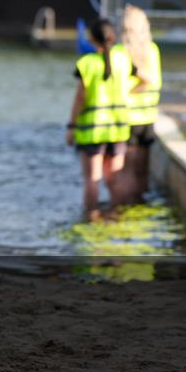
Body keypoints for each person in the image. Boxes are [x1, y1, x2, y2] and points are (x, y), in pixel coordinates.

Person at [65, 18, 131, 222]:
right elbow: (141, 79)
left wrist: (71, 126)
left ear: (91, 39)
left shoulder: (86, 63)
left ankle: (92, 217)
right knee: (115, 178)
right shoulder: (123, 59)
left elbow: (80, 98)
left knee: (92, 179)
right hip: (118, 129)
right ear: (112, 37)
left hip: (92, 131)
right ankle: (116, 216)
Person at [119, 5, 162, 203]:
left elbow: (123, 85)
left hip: (128, 118)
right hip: (148, 117)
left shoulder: (121, 52)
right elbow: (156, 80)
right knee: (143, 170)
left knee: (128, 169)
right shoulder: (152, 50)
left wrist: (127, 90)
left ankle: (128, 206)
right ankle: (141, 206)